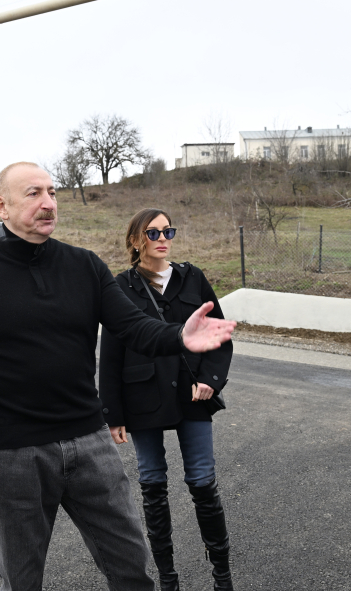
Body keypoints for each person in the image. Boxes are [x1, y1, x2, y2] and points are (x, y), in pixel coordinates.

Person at [0, 162, 237, 591]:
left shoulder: (84, 266)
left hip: (89, 443)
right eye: (34, 193)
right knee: (21, 579)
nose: (48, 203)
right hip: (13, 455)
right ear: (2, 205)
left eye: (52, 192)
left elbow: (133, 328)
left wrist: (178, 337)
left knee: (131, 567)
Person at [99, 208, 235, 591]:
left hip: (193, 395)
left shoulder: (193, 278)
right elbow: (110, 353)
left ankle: (222, 576)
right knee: (153, 486)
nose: (163, 238)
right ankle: (168, 579)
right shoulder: (121, 287)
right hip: (141, 398)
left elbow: (219, 335)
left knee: (203, 483)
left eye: (168, 231)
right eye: (153, 232)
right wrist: (112, 412)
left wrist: (211, 380)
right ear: (135, 239)